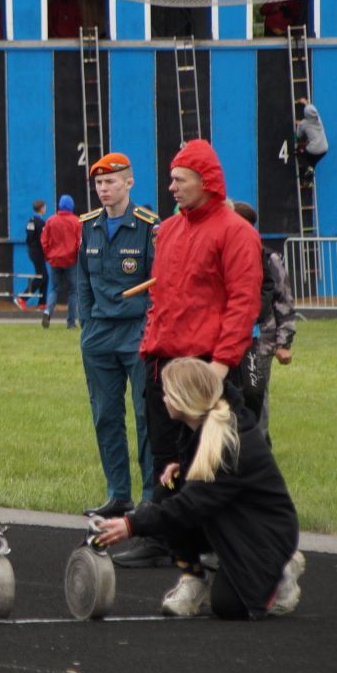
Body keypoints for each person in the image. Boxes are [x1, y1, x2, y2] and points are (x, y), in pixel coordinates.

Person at [118, 139, 262, 568]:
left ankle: (221, 543)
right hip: (162, 362)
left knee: (209, 462)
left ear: (206, 181)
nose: (172, 187)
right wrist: (150, 349)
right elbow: (163, 297)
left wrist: (221, 364)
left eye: (179, 179)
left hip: (205, 366)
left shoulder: (236, 231)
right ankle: (166, 539)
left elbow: (243, 302)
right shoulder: (170, 230)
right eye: (171, 179)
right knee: (165, 457)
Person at [94, 357, 303, 619]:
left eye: (169, 394)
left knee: (230, 607)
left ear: (185, 400)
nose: (164, 399)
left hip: (264, 531)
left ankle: (281, 569)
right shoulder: (199, 426)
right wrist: (183, 470)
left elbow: (189, 506)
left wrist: (131, 524)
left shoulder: (230, 444)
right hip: (237, 518)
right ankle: (195, 576)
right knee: (167, 489)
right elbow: (194, 493)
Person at [75, 153, 158, 519]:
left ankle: (151, 497)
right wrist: (88, 323)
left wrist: (152, 328)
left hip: (136, 333)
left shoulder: (148, 226)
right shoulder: (88, 226)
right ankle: (118, 494)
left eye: (110, 182)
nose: (103, 189)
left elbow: (160, 283)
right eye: (98, 183)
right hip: (99, 335)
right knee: (105, 415)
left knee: (146, 416)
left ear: (129, 183)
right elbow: (82, 279)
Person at [231, 202, 296, 438]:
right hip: (230, 338)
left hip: (261, 340)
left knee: (256, 393)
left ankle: (259, 445)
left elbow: (283, 300)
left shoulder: (268, 257)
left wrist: (284, 343)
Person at [39, 194, 82, 329]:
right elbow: (79, 242)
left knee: (54, 289)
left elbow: (44, 241)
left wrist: (48, 256)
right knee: (73, 291)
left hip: (54, 260)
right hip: (71, 260)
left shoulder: (51, 221)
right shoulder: (77, 221)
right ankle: (70, 322)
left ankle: (48, 311)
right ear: (71, 207)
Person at [15, 200, 49, 312]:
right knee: (41, 277)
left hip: (32, 251)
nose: (45, 209)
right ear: (41, 208)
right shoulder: (41, 223)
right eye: (45, 207)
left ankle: (42, 303)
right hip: (38, 252)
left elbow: (29, 237)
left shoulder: (31, 221)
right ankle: (22, 298)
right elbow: (43, 240)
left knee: (44, 276)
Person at [293, 97, 328, 186]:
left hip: (313, 149)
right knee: (313, 162)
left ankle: (308, 169)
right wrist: (306, 102)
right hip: (324, 149)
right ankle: (308, 181)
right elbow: (311, 111)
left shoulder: (303, 124)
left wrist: (298, 125)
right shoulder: (318, 119)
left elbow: (298, 136)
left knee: (298, 152)